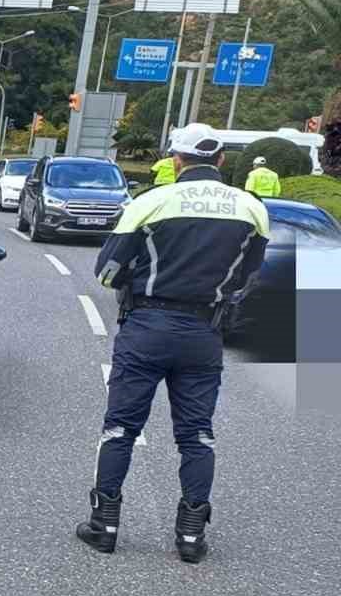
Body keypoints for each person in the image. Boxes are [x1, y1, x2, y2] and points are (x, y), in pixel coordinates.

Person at [78, 123, 269, 563]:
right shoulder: (251, 208)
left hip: (146, 327)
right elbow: (248, 279)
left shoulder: (151, 202)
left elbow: (106, 272)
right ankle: (191, 536)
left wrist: (141, 280)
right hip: (204, 333)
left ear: (176, 160)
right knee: (197, 435)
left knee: (121, 428)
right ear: (221, 160)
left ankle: (104, 526)